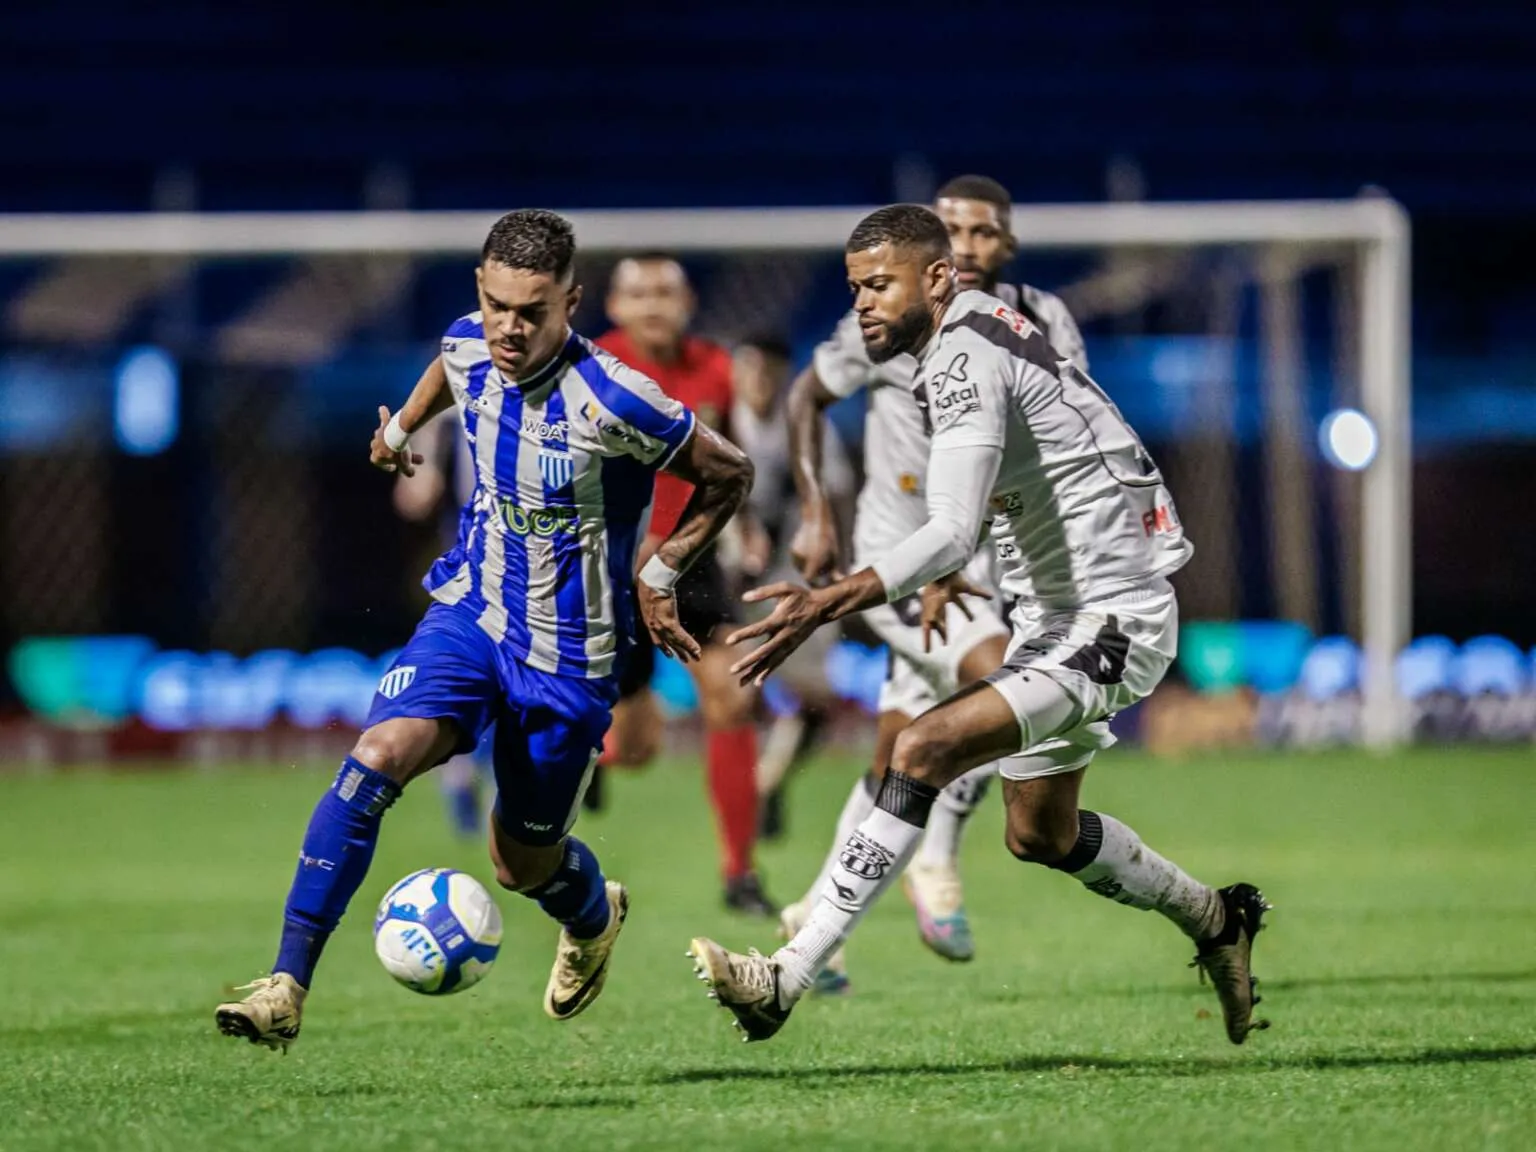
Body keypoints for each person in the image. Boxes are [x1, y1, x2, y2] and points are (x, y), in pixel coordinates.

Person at [688, 204, 1270, 1047]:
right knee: (1041, 833)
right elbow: (1038, 463)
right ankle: (1217, 918)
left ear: (937, 277)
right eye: (854, 290)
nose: (863, 305)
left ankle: (788, 973)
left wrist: (832, 595)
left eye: (880, 285)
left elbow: (957, 521)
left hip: (1108, 617)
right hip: (1053, 613)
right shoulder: (983, 328)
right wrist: (956, 561)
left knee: (921, 747)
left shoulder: (960, 355)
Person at [214, 209, 753, 1050]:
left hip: (572, 658)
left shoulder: (617, 399)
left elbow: (731, 472)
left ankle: (590, 913)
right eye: (498, 304)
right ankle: (284, 984)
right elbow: (450, 363)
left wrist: (659, 572)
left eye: (532, 311)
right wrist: (399, 430)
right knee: (375, 759)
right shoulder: (471, 341)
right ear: (480, 289)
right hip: (472, 611)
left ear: (571, 303)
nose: (509, 327)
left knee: (521, 863)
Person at [779, 175, 1090, 990]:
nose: (967, 246)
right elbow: (805, 398)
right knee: (1006, 684)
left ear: (1006, 245)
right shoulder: (885, 315)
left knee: (899, 754)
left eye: (982, 232)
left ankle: (812, 919)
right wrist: (815, 509)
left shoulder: (1042, 318)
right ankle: (938, 862)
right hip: (904, 558)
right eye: (950, 231)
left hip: (997, 561)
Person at [597, 256, 777, 916]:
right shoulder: (589, 368)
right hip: (611, 567)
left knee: (731, 697)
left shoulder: (715, 369)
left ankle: (740, 873)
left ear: (689, 300)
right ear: (612, 305)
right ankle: (591, 760)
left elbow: (726, 464)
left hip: (691, 558)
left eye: (665, 292)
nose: (653, 305)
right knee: (636, 749)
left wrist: (747, 529)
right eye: (638, 293)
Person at [728, 334, 855, 841]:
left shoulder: (806, 426)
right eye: (750, 368)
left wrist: (840, 568)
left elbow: (839, 498)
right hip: (722, 582)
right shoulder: (712, 420)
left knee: (817, 700)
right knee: (734, 696)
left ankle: (770, 780)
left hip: (793, 582)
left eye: (769, 371)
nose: (759, 381)